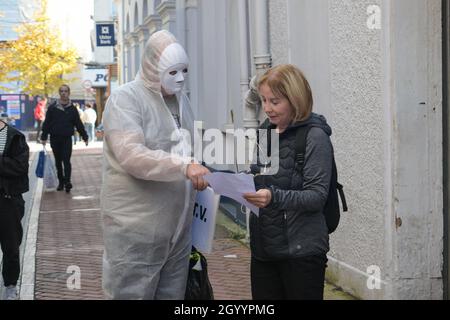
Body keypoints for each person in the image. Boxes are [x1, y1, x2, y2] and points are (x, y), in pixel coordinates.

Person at [101, 30, 210, 300]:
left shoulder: (181, 101)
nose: (181, 78)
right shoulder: (126, 100)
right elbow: (132, 155)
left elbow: (190, 146)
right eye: (172, 72)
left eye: (184, 70)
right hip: (137, 232)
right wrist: (185, 166)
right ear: (152, 67)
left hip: (177, 231)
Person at [243, 64, 333, 300]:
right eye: (263, 100)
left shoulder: (315, 136)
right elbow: (258, 175)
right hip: (264, 250)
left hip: (301, 253)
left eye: (275, 101)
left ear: (295, 99)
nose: (267, 108)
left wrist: (274, 197)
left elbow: (317, 196)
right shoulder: (267, 132)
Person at [0, 117, 29, 300]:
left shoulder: (15, 137)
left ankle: (10, 285)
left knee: (10, 246)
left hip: (7, 199)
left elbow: (20, 167)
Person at [41, 85, 88, 193]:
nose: (63, 93)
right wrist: (43, 137)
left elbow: (78, 124)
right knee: (58, 161)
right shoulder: (52, 108)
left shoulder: (72, 109)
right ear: (59, 93)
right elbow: (47, 123)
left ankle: (67, 182)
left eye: (65, 91)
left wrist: (85, 136)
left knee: (66, 160)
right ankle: (61, 182)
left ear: (69, 93)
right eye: (61, 91)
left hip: (67, 139)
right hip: (55, 138)